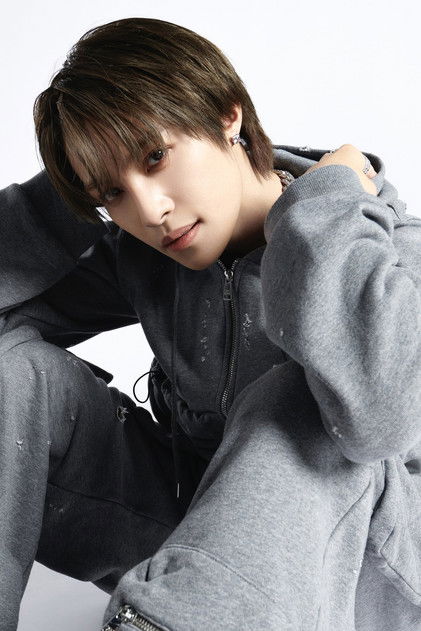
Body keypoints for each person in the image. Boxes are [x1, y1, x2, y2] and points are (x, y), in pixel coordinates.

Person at [0, 16, 420, 631]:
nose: (151, 210)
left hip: (365, 570)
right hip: (205, 553)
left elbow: (378, 419)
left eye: (155, 156)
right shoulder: (147, 255)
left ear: (228, 115)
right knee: (15, 374)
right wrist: (70, 191)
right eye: (113, 193)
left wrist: (326, 204)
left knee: (293, 392)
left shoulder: (390, 248)